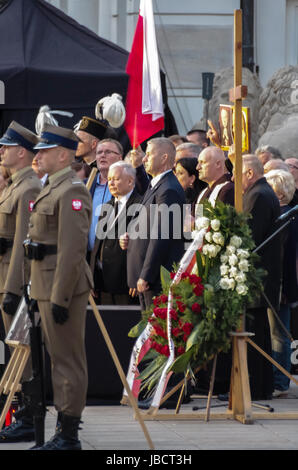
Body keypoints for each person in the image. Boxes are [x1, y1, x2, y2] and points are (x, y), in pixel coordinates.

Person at [24, 123, 93, 450]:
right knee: (56, 359)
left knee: (67, 361)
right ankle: (62, 430)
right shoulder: (52, 187)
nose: (38, 156)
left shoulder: (72, 190)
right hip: (45, 284)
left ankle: (69, 434)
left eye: (44, 150)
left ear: (63, 154)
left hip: (61, 288)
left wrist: (61, 297)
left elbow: (72, 249)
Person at [0, 121, 42, 443]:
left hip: (11, 280)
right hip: (3, 276)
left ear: (22, 151)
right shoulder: (15, 185)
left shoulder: (28, 188)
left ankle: (28, 417)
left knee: (21, 353)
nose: (2, 151)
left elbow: (21, 245)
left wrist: (12, 289)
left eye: (7, 146)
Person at [120, 137, 186, 312]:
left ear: (164, 158)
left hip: (156, 279)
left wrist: (146, 275)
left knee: (156, 333)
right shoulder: (157, 185)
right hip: (149, 278)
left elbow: (161, 236)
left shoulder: (168, 189)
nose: (144, 159)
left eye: (148, 154)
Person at [240, 154, 282, 400]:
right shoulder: (262, 192)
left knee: (255, 334)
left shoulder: (257, 195)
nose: (233, 177)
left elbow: (250, 237)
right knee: (260, 333)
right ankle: (261, 387)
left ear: (249, 173)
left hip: (257, 277)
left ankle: (254, 388)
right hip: (261, 277)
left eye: (237, 173)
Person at [265, 169, 298, 397]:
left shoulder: (288, 218)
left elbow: (288, 257)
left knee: (279, 333)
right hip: (278, 283)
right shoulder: (282, 216)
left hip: (282, 285)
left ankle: (280, 381)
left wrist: (286, 287)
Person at [90, 161, 142, 304]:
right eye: (110, 179)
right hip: (102, 283)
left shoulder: (142, 205)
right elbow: (97, 246)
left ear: (130, 181)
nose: (111, 183)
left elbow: (144, 246)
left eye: (116, 179)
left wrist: (137, 276)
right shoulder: (106, 207)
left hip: (126, 284)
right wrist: (91, 277)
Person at [87, 138, 123, 254]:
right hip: (88, 259)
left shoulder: (127, 185)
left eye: (108, 152)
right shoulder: (86, 185)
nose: (102, 155)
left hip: (114, 258)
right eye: (99, 152)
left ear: (120, 158)